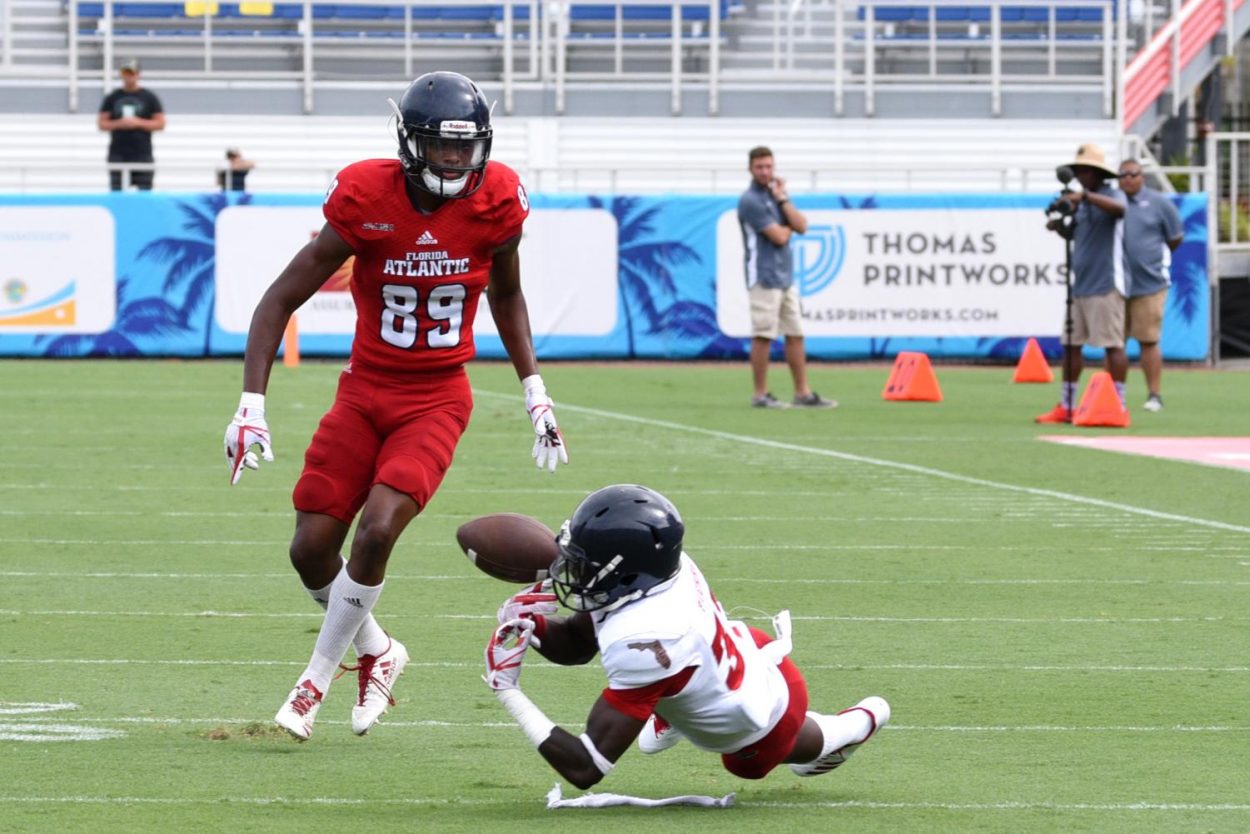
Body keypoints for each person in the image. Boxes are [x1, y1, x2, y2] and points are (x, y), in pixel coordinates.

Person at [222, 70, 570, 741]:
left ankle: (314, 680)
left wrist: (536, 391)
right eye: (442, 147)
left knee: (377, 529)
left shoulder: (496, 201)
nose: (455, 161)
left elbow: (506, 296)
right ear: (412, 144)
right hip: (364, 389)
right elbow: (278, 299)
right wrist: (250, 403)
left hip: (437, 396)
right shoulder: (366, 195)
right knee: (310, 549)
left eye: (465, 148)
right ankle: (380, 649)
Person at [483, 484, 889, 790]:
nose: (573, 570)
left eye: (586, 563)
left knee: (752, 764)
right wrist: (530, 627)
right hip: (737, 650)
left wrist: (508, 691)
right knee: (663, 681)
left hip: (762, 717)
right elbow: (576, 645)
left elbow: (586, 766)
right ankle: (668, 705)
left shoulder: (645, 636)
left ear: (626, 571)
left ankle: (858, 723)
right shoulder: (658, 570)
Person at [737, 146, 836, 410]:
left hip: (785, 276)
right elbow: (779, 236)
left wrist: (783, 200)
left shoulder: (775, 197)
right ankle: (760, 393)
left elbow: (801, 225)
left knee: (795, 333)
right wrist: (788, 225)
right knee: (764, 334)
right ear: (750, 169)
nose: (765, 171)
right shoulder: (750, 200)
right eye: (759, 167)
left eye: (769, 166)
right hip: (763, 275)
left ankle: (802, 393)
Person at [1035, 143, 1128, 424]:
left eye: (1086, 171)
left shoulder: (1109, 196)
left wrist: (1084, 197)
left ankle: (1117, 403)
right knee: (1071, 344)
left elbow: (1120, 210)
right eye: (1078, 171)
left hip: (1106, 283)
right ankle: (1068, 404)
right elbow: (1075, 236)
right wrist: (1059, 226)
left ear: (1098, 174)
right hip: (1080, 286)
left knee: (1112, 345)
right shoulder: (1082, 205)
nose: (1081, 175)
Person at [1118, 160, 1184, 412]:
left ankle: (1154, 395)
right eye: (1122, 175)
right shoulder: (1113, 202)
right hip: (1116, 284)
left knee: (1148, 340)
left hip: (1149, 284)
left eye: (1132, 174)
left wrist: (1151, 261)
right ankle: (1115, 395)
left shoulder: (1159, 203)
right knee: (1115, 343)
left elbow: (1175, 237)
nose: (1127, 179)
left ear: (1141, 176)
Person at [97, 59, 165, 191]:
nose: (128, 77)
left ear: (138, 74)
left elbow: (160, 123)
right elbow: (102, 123)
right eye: (126, 73)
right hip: (118, 152)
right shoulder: (112, 97)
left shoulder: (149, 97)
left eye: (132, 73)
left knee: (145, 193)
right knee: (117, 192)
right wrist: (119, 124)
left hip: (142, 153)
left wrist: (138, 122)